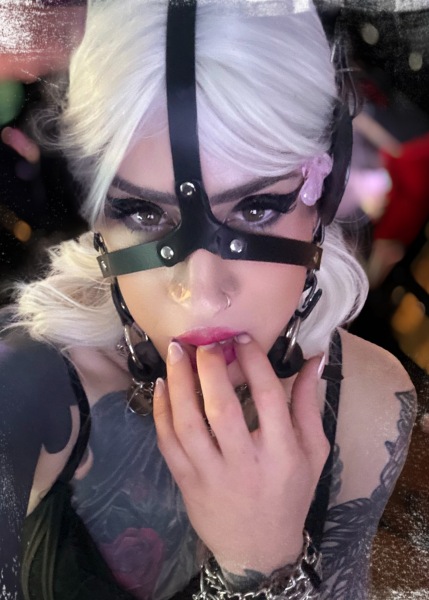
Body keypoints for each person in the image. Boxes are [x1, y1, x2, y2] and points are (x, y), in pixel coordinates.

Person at [0, 1, 417, 599]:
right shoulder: (22, 389)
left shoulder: (369, 402)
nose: (200, 294)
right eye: (142, 213)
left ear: (323, 200)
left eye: (257, 208)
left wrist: (264, 562)